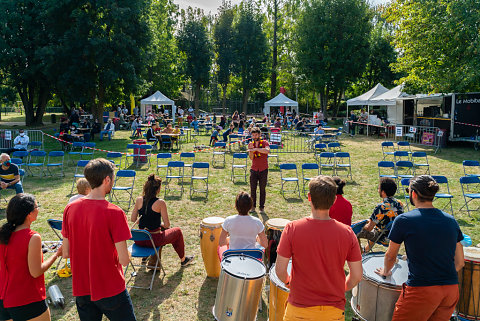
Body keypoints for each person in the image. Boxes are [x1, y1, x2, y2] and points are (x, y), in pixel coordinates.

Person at [376, 175, 465, 321]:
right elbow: (460, 263)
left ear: (413, 194)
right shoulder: (451, 221)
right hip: (450, 290)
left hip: (422, 290)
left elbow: (391, 256)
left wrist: (385, 271)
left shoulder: (404, 220)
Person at [275, 176, 363, 320]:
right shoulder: (347, 233)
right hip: (333, 312)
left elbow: (280, 270)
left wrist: (289, 282)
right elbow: (357, 276)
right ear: (334, 200)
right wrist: (342, 287)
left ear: (309, 197)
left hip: (298, 311)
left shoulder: (292, 229)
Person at [62, 158, 136, 321]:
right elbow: (124, 260)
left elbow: (65, 252)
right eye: (113, 179)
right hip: (111, 289)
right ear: (107, 179)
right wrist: (129, 250)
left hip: (82, 288)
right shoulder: (115, 213)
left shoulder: (70, 208)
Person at [0, 193, 62, 321]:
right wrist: (56, 255)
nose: (38, 208)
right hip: (26, 299)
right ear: (29, 214)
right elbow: (36, 272)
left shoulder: (3, 234)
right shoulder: (32, 237)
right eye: (36, 206)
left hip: (3, 299)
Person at [131, 174, 194, 267]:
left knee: (156, 229)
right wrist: (160, 224)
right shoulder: (160, 203)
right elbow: (167, 224)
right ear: (158, 189)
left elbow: (133, 219)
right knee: (177, 231)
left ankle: (146, 258)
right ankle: (183, 260)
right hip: (154, 239)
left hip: (139, 240)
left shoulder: (138, 200)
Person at [356, 177, 404, 253]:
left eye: (379, 188)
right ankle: (366, 250)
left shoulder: (381, 207)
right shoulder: (399, 203)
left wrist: (359, 225)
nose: (378, 190)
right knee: (379, 228)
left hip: (383, 237)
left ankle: (360, 253)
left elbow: (368, 228)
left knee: (355, 231)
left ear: (383, 192)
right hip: (395, 236)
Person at [217, 192, 268, 259]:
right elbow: (265, 244)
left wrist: (231, 239)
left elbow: (221, 242)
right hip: (251, 257)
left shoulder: (228, 220)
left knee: (219, 248)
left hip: (233, 257)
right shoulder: (257, 222)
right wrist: (256, 239)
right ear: (250, 206)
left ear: (236, 205)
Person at [247, 127, 270, 214]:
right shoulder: (251, 144)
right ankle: (252, 206)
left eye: (256, 134)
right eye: (253, 135)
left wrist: (256, 149)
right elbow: (251, 158)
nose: (254, 136)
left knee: (262, 189)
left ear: (259, 134)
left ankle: (261, 207)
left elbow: (267, 151)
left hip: (263, 169)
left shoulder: (264, 142)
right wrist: (251, 151)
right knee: (253, 189)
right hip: (254, 169)